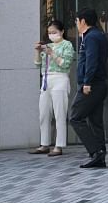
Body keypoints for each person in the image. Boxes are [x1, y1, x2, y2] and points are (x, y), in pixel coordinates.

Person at [69, 8, 108, 169]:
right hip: (98, 84)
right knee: (95, 121)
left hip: (92, 85)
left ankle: (96, 152)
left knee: (75, 117)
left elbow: (91, 60)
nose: (76, 24)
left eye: (77, 21)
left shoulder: (91, 37)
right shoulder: (97, 35)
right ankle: (99, 156)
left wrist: (87, 83)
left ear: (83, 21)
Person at [30, 19, 75, 157]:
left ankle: (58, 145)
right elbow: (37, 64)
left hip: (60, 78)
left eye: (54, 32)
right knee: (43, 113)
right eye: (49, 32)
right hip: (46, 79)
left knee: (59, 113)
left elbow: (65, 64)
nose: (51, 35)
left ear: (62, 31)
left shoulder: (67, 45)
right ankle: (44, 144)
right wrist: (38, 51)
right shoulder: (47, 46)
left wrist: (52, 53)